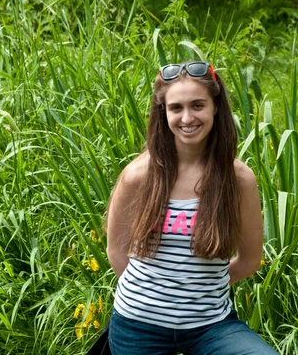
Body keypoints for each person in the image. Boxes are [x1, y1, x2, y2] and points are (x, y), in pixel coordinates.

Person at [105, 62, 278, 355]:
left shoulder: (239, 179)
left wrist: (196, 291)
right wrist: (158, 299)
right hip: (138, 326)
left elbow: (249, 261)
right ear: (164, 113)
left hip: (212, 326)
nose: (187, 117)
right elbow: (116, 252)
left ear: (216, 107)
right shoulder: (138, 176)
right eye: (176, 108)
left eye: (198, 105)